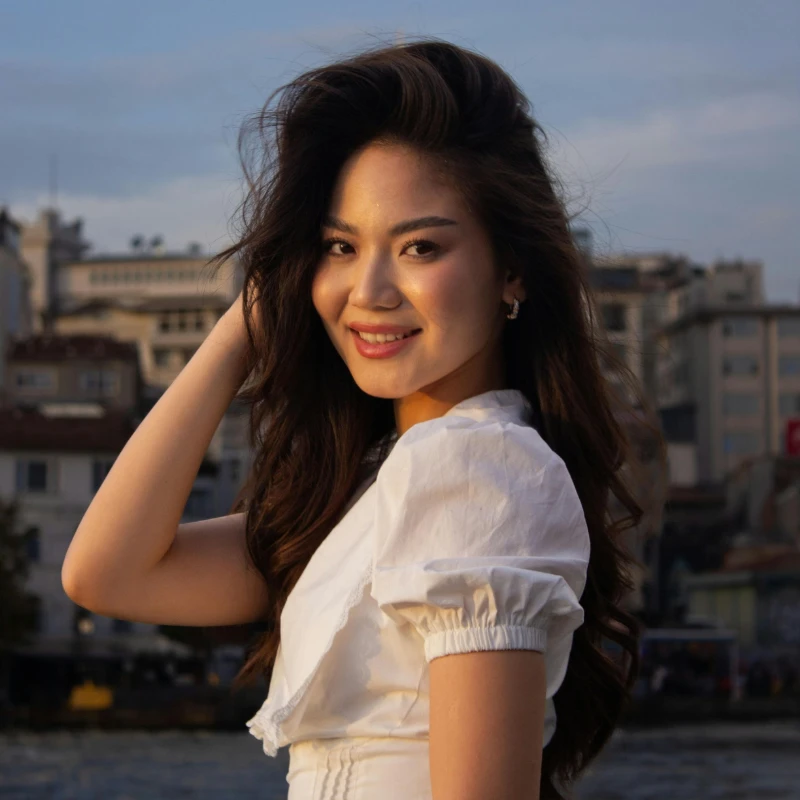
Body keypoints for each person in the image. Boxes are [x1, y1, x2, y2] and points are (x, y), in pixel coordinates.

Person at [62, 37, 653, 800]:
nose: (368, 289)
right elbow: (106, 572)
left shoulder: (478, 471)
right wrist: (249, 316)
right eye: (339, 246)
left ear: (511, 268)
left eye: (419, 246)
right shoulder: (372, 488)